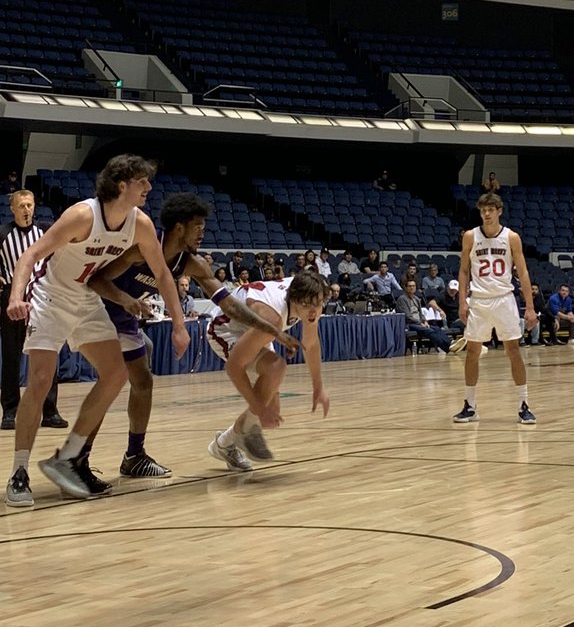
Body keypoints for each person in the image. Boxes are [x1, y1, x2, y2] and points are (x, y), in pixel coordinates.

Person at [4, 155, 188, 508]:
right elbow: (30, 255)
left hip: (86, 298)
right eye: (142, 182)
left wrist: (179, 325)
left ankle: (69, 457)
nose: (149, 188)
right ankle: (19, 472)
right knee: (41, 380)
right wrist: (16, 297)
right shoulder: (82, 215)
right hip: (51, 296)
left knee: (117, 373)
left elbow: (163, 275)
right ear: (122, 185)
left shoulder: (141, 224)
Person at [88, 192, 296, 480]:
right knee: (114, 381)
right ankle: (80, 457)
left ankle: (133, 456)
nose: (202, 232)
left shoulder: (193, 264)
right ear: (178, 228)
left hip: (125, 317)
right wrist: (125, 299)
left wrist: (272, 329)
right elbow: (97, 279)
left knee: (142, 379)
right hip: (96, 308)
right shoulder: (141, 247)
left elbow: (229, 305)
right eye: (197, 226)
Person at [205, 268, 330, 471]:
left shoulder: (310, 295)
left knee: (272, 406)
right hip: (226, 328)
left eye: (318, 304)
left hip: (259, 329)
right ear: (294, 298)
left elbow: (311, 343)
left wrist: (318, 387)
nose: (313, 311)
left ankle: (224, 444)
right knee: (274, 373)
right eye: (307, 306)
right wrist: (258, 409)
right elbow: (234, 367)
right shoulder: (274, 316)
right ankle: (234, 439)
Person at [453, 192, 538, 424]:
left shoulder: (512, 237)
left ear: (499, 211)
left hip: (504, 298)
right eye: (483, 210)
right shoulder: (470, 236)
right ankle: (470, 405)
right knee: (472, 352)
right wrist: (462, 301)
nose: (487, 214)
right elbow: (463, 271)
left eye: (491, 209)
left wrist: (530, 307)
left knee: (513, 351)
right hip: (479, 300)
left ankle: (524, 404)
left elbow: (523, 272)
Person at [1, 189, 67, 432]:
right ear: (13, 209)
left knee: (47, 353)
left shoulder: (44, 232)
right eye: (21, 206)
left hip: (41, 297)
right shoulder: (3, 233)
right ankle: (10, 411)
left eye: (29, 205)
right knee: (11, 355)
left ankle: (50, 411)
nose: (26, 210)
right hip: (13, 297)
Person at [396, 278, 464, 354]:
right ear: (406, 287)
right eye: (410, 286)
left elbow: (420, 313)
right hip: (410, 324)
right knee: (429, 331)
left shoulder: (416, 299)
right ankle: (449, 347)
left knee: (437, 329)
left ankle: (451, 343)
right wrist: (420, 323)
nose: (412, 288)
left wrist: (425, 321)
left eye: (413, 286)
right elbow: (407, 316)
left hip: (419, 323)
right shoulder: (402, 299)